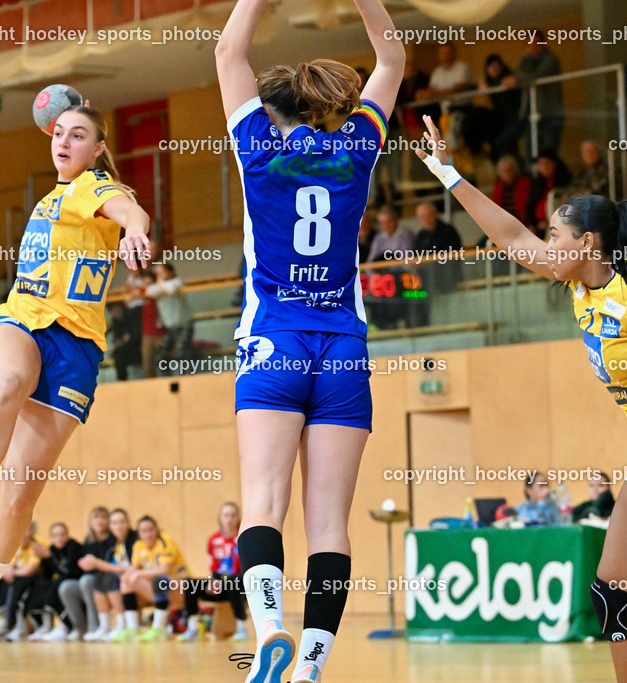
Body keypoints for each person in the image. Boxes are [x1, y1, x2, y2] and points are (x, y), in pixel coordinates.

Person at [416, 114, 627, 683]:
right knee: (615, 592)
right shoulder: (579, 283)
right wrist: (448, 174)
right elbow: (511, 237)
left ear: (588, 243)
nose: (545, 243)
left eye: (556, 234)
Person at [216, 2, 404, 682]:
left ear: (267, 115)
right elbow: (391, 58)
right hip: (343, 349)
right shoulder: (354, 147)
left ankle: (269, 629)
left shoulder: (259, 153)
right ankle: (314, 664)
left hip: (275, 341)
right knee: (330, 525)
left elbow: (226, 55)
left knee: (263, 503)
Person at [0, 102, 151, 653]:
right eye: (60, 133)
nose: (65, 141)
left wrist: (134, 231)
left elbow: (128, 209)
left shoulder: (94, 188)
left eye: (79, 135)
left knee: (24, 495)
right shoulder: (52, 196)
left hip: (75, 349)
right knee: (9, 383)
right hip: (22, 321)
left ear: (98, 149)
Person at [178, 501, 250, 642]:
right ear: (220, 518)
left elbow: (247, 570)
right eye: (226, 515)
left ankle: (242, 627)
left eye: (233, 515)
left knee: (232, 581)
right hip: (222, 586)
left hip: (242, 587)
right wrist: (214, 582)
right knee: (190, 584)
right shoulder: (213, 540)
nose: (229, 519)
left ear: (238, 518)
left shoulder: (243, 538)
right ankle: (192, 628)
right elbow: (215, 569)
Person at [113, 515, 189, 642]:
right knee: (126, 581)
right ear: (139, 533)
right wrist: (127, 575)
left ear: (157, 530)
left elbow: (163, 570)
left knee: (159, 580)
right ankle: (132, 628)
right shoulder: (138, 545)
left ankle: (158, 627)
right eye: (144, 531)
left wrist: (138, 573)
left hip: (182, 587)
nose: (148, 534)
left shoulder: (165, 541)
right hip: (159, 591)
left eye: (151, 530)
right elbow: (135, 566)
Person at [80, 507, 138, 642]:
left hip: (135, 577)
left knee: (110, 577)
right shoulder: (116, 543)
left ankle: (122, 624)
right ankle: (105, 626)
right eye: (115, 523)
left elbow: (133, 566)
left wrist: (97, 563)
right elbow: (115, 564)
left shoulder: (135, 539)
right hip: (123, 576)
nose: (119, 526)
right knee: (100, 578)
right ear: (110, 526)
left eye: (122, 522)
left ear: (128, 523)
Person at [506, 29, 564, 157]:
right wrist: (526, 61)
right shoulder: (527, 60)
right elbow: (520, 73)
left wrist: (517, 80)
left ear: (543, 43)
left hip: (551, 113)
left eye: (535, 43)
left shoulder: (551, 59)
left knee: (549, 151)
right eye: (529, 44)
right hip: (533, 114)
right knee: (530, 150)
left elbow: (537, 77)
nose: (532, 47)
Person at [26, 522, 85, 641]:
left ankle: (66, 625)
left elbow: (67, 571)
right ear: (51, 538)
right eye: (55, 536)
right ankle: (45, 625)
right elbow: (46, 574)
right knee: (41, 584)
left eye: (62, 535)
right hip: (63, 582)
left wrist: (49, 556)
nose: (59, 538)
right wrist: (43, 559)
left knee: (58, 584)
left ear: (68, 535)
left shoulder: (74, 547)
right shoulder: (53, 548)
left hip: (76, 582)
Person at [70, 506, 111, 641]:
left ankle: (95, 627)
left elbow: (108, 564)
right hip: (89, 578)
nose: (99, 521)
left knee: (87, 581)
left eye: (103, 517)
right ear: (90, 522)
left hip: (106, 579)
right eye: (96, 517)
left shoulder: (112, 540)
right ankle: (80, 628)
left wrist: (94, 564)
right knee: (66, 588)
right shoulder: (88, 541)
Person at [146, 263, 195, 373]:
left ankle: (188, 380)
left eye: (161, 272)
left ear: (170, 272)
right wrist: (160, 285)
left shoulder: (177, 281)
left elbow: (171, 289)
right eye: (157, 273)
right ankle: (168, 381)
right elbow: (149, 291)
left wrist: (160, 284)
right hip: (171, 329)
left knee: (182, 352)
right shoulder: (157, 286)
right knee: (160, 356)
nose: (159, 275)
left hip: (184, 325)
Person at [525, 150, 571, 238]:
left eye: (547, 163)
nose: (544, 167)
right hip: (539, 226)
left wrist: (549, 221)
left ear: (554, 164)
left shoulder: (565, 181)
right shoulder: (536, 183)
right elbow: (530, 206)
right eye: (541, 164)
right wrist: (531, 225)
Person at [134, 268, 166, 378]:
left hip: (160, 333)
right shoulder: (142, 293)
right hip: (147, 333)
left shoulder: (158, 291)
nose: (147, 285)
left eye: (149, 283)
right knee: (147, 362)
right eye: (145, 282)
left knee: (164, 361)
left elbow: (151, 291)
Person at [491, 156, 531, 226]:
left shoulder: (524, 183)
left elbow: (527, 207)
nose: (507, 174)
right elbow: (496, 208)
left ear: (515, 170)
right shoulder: (499, 186)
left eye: (509, 170)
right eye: (503, 171)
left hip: (521, 223)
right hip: (503, 223)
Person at [107, 301, 141, 381]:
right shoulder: (116, 323)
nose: (116, 312)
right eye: (113, 311)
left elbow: (135, 336)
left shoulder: (132, 317)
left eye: (117, 309)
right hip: (125, 350)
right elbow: (117, 340)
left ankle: (122, 380)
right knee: (117, 354)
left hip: (137, 349)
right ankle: (121, 380)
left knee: (119, 354)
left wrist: (125, 340)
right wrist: (123, 340)